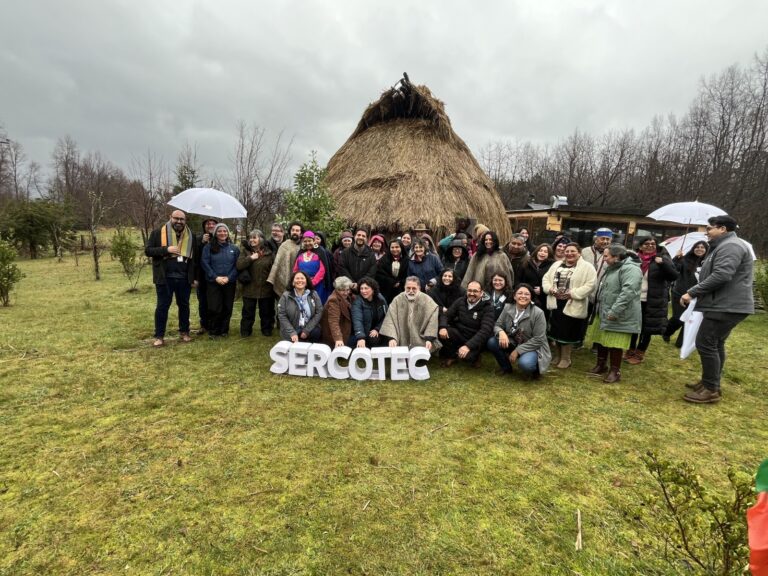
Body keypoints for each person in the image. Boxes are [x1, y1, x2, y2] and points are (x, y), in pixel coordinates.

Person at [680, 215, 754, 404]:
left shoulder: (731, 246)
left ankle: (711, 389)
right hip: (723, 304)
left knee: (706, 342)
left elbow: (722, 274)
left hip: (726, 305)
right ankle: (710, 382)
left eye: (710, 228)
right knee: (716, 343)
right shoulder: (722, 246)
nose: (707, 231)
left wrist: (692, 292)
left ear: (722, 229)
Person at [585, 244, 642, 383]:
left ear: (616, 257)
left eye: (606, 256)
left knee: (615, 342)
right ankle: (601, 365)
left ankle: (615, 371)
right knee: (601, 339)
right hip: (604, 310)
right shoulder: (612, 267)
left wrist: (615, 310)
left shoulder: (631, 269)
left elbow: (628, 292)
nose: (603, 259)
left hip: (618, 314)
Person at [145, 209, 196, 347]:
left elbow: (194, 259)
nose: (179, 221)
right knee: (162, 306)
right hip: (165, 278)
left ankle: (184, 332)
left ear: (185, 221)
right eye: (176, 218)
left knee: (184, 306)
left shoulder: (191, 236)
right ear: (170, 218)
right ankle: (159, 336)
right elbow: (148, 251)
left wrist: (194, 277)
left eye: (182, 219)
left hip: (184, 278)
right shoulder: (157, 233)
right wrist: (166, 249)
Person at [624, 236, 678, 365]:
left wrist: (663, 264)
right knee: (633, 325)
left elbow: (674, 276)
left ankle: (640, 352)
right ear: (640, 246)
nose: (650, 246)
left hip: (653, 300)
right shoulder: (633, 259)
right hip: (634, 299)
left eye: (653, 244)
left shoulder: (661, 259)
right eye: (646, 244)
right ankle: (630, 349)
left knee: (646, 328)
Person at [542, 242, 597, 368]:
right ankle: (557, 355)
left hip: (572, 302)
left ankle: (566, 358)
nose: (569, 254)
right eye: (567, 251)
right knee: (555, 329)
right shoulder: (556, 264)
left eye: (573, 251)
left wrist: (572, 293)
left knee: (567, 331)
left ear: (579, 253)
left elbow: (591, 285)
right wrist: (550, 289)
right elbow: (546, 279)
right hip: (556, 302)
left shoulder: (587, 267)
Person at [487, 283, 551, 377]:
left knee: (526, 364)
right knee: (492, 342)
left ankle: (535, 370)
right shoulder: (507, 307)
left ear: (531, 297)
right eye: (520, 293)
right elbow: (497, 325)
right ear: (514, 296)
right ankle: (506, 368)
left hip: (533, 347)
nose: (523, 296)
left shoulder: (538, 313)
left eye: (527, 294)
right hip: (514, 341)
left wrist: (517, 351)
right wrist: (501, 332)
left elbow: (539, 339)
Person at [438, 280, 495, 367]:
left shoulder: (488, 307)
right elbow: (446, 315)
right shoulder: (460, 301)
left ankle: (476, 356)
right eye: (469, 290)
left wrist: (468, 346)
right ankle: (452, 356)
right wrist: (442, 327)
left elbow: (485, 330)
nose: (472, 293)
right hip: (461, 334)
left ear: (481, 293)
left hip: (476, 338)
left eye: (475, 291)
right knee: (442, 332)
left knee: (467, 358)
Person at [663, 240, 708, 347]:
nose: (700, 249)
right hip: (680, 293)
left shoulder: (707, 263)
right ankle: (666, 332)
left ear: (706, 250)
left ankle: (681, 343)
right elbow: (673, 270)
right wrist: (676, 258)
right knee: (678, 317)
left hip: (697, 295)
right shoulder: (684, 259)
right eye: (697, 247)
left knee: (690, 319)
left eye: (702, 247)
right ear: (693, 249)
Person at [380, 276, 440, 352]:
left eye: (414, 288)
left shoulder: (427, 300)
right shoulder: (397, 299)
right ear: (404, 287)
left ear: (419, 288)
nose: (411, 291)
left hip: (421, 339)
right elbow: (390, 319)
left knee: (419, 362)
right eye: (408, 288)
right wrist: (392, 338)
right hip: (401, 337)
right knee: (401, 361)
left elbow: (432, 321)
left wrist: (429, 339)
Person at [201, 223, 240, 338]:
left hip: (229, 282)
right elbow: (205, 263)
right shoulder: (208, 247)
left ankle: (224, 330)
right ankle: (213, 331)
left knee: (227, 307)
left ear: (228, 233)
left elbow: (237, 266)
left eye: (225, 231)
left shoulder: (234, 248)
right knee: (214, 307)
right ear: (215, 233)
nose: (222, 233)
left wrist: (229, 277)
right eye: (219, 231)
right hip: (214, 282)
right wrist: (215, 277)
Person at [237, 230, 275, 337]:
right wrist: (250, 258)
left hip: (265, 287)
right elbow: (239, 265)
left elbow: (273, 269)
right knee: (248, 312)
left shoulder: (269, 253)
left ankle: (267, 330)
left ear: (261, 239)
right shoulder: (245, 252)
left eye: (254, 237)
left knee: (266, 312)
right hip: (249, 287)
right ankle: (245, 331)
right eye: (250, 238)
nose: (252, 240)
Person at [277, 270, 323, 343]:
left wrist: (307, 330)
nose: (300, 280)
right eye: (297, 278)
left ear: (306, 281)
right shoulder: (285, 296)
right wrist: (292, 332)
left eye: (302, 278)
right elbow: (282, 315)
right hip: (292, 330)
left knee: (316, 332)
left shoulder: (313, 294)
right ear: (293, 282)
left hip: (308, 328)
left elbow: (319, 312)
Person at [193, 217, 218, 334]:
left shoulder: (220, 238)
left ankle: (215, 324)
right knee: (203, 302)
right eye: (208, 224)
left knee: (214, 302)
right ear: (204, 226)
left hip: (216, 277)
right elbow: (194, 258)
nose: (210, 225)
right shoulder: (198, 239)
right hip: (202, 277)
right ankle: (204, 325)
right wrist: (201, 243)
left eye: (213, 224)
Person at [350, 277, 389, 348]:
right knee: (373, 340)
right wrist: (361, 337)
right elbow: (357, 320)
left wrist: (377, 329)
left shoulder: (380, 298)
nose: (363, 291)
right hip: (365, 331)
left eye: (366, 288)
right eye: (361, 288)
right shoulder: (357, 302)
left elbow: (386, 316)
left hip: (379, 329)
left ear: (373, 289)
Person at [268, 221, 303, 298]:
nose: (294, 232)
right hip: (285, 279)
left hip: (301, 279)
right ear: (290, 232)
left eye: (297, 231)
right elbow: (277, 263)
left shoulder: (304, 245)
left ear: (301, 233)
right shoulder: (285, 245)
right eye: (293, 230)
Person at [293, 231, 329, 303]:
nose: (307, 243)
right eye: (305, 241)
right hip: (302, 285)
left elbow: (322, 270)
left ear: (314, 241)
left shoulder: (320, 252)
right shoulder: (300, 253)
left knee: (317, 305)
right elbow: (295, 270)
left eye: (309, 241)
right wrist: (300, 281)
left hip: (318, 286)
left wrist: (312, 282)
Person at [521, 243, 555, 317]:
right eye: (540, 250)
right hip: (526, 296)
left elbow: (553, 283)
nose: (542, 253)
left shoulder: (553, 266)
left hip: (543, 299)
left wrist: (542, 290)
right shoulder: (527, 263)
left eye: (545, 252)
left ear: (549, 255)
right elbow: (520, 279)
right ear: (537, 251)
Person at [321, 276, 355, 347]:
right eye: (342, 290)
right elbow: (333, 321)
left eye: (347, 290)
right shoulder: (333, 300)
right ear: (337, 289)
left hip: (347, 329)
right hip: (337, 335)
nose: (346, 293)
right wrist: (338, 339)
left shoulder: (349, 296)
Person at [375, 238, 409, 303]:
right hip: (387, 291)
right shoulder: (384, 260)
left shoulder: (407, 260)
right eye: (392, 247)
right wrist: (392, 282)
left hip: (403, 290)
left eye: (397, 247)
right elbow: (379, 274)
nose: (394, 249)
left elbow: (408, 274)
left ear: (401, 248)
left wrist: (400, 283)